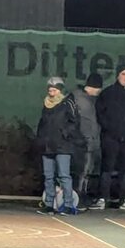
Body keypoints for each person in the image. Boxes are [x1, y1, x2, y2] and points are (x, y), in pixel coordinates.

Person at [92, 66, 125, 211]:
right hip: (110, 138)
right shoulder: (107, 93)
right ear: (117, 76)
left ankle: (124, 200)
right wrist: (110, 130)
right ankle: (102, 199)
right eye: (123, 74)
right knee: (107, 169)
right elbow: (100, 114)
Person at [36, 77, 80, 215]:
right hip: (47, 146)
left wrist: (64, 134)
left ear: (60, 90)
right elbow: (42, 124)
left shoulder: (68, 102)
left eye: (54, 90)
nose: (52, 93)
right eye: (50, 90)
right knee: (48, 176)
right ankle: (49, 205)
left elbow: (74, 122)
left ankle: (68, 205)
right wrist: (41, 139)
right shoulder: (46, 104)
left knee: (64, 176)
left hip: (63, 146)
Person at [70, 73, 102, 204]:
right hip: (82, 142)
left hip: (92, 142)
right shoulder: (77, 99)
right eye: (98, 88)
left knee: (88, 171)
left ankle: (82, 194)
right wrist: (78, 137)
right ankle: (77, 195)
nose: (99, 91)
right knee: (81, 171)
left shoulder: (93, 100)